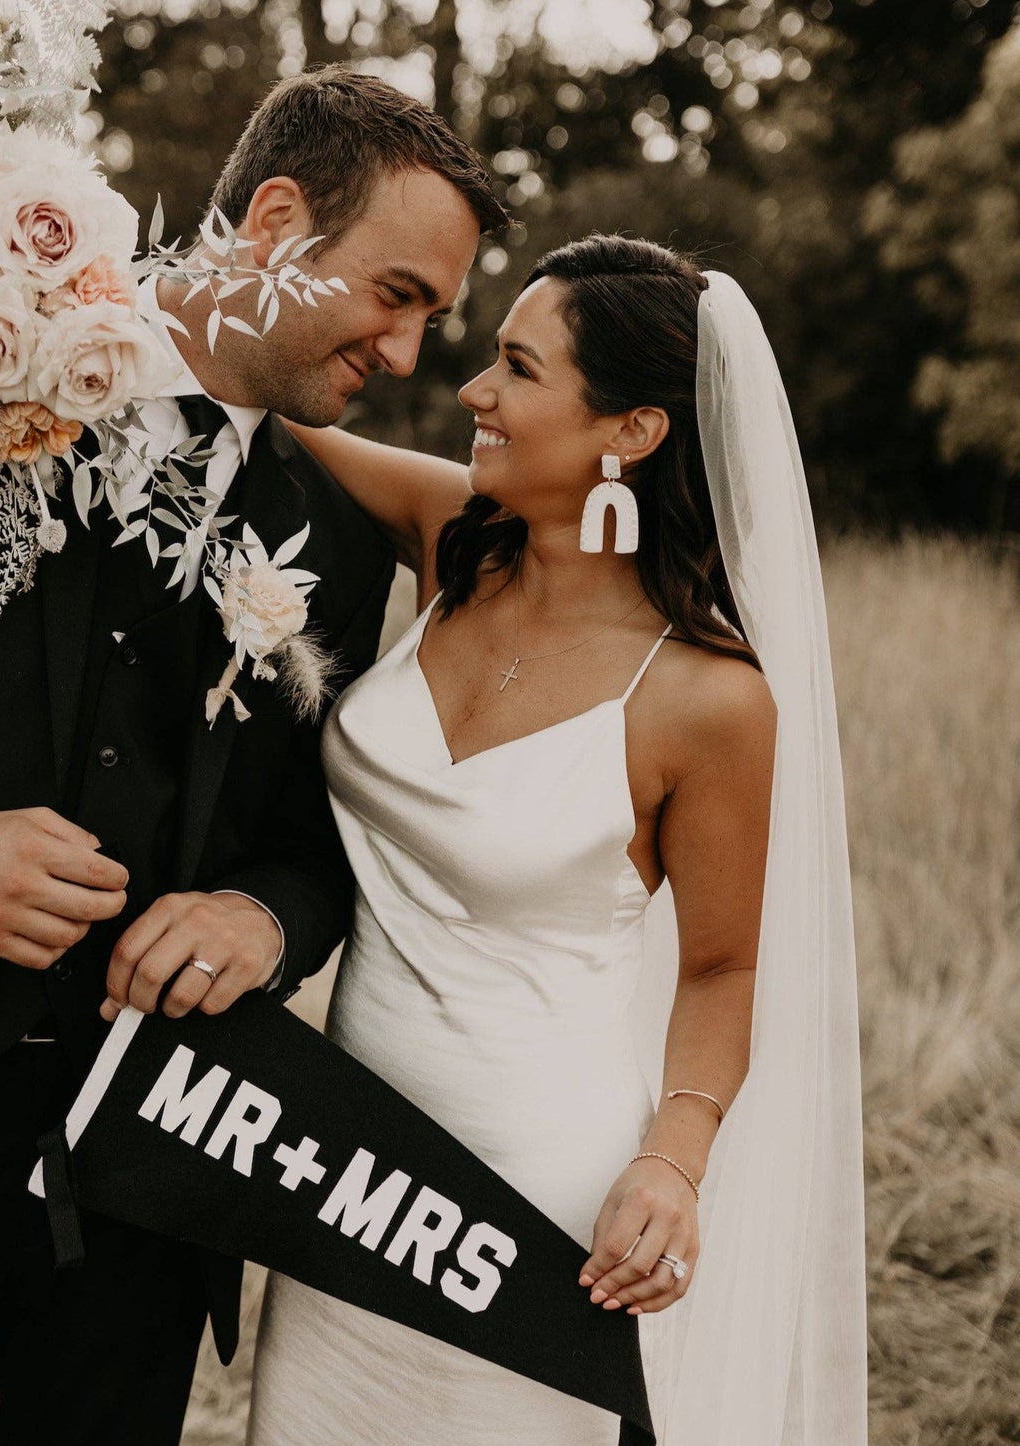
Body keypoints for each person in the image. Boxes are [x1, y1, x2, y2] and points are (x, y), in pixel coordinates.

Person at [0, 68, 506, 1446]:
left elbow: (312, 845)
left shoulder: (340, 535)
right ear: (278, 219)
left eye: (430, 317)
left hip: (151, 1149)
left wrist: (262, 918)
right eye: (395, 294)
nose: (408, 354)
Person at [248, 235, 867, 1443]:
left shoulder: (705, 699)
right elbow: (265, 403)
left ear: (629, 432)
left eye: (517, 370)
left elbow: (722, 968)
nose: (472, 391)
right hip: (345, 1172)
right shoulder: (451, 539)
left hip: (533, 1198)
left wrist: (672, 1162)